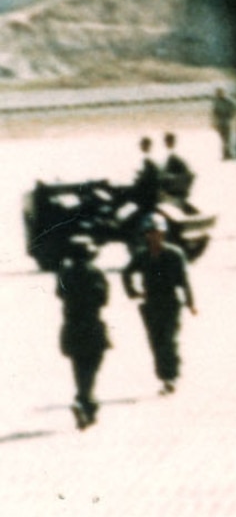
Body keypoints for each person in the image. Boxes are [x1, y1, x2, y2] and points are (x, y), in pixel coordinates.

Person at [122, 214, 196, 395]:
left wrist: (190, 303)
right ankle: (164, 377)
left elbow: (184, 281)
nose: (155, 236)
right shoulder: (141, 255)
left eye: (158, 233)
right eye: (151, 233)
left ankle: (171, 377)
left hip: (171, 302)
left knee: (168, 341)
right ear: (146, 235)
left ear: (164, 233)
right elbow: (126, 273)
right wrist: (133, 292)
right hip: (151, 303)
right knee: (155, 341)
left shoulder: (175, 254)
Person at [56, 236, 111, 430]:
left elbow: (60, 294)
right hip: (92, 325)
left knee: (79, 367)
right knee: (92, 365)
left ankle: (87, 404)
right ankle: (84, 400)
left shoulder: (64, 274)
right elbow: (103, 298)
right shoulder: (95, 273)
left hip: (71, 326)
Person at [160, 131, 195, 207]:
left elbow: (187, 173)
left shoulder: (173, 156)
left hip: (176, 185)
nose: (167, 143)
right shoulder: (169, 155)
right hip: (176, 184)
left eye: (169, 141)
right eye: (167, 141)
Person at [128, 135, 162, 213]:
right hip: (150, 188)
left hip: (147, 190)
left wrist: (138, 178)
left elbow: (147, 176)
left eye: (142, 145)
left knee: (124, 192)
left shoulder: (148, 158)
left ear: (146, 145)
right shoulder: (150, 157)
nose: (140, 147)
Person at [210, 87, 236, 160]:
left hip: (227, 121)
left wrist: (230, 115)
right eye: (217, 93)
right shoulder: (216, 101)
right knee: (223, 140)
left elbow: (235, 108)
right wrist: (214, 122)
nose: (218, 94)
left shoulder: (228, 100)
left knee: (228, 139)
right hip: (220, 122)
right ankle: (226, 154)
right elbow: (214, 112)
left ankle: (229, 154)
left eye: (219, 92)